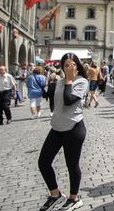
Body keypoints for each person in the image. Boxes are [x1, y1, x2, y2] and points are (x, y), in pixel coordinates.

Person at [37, 53, 88, 210]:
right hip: (57, 128)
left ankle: (74, 198)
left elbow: (68, 100)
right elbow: (54, 101)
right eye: (66, 65)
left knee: (72, 165)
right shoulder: (59, 82)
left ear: (78, 66)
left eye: (73, 64)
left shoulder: (81, 82)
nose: (70, 67)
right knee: (43, 162)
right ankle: (55, 194)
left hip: (74, 128)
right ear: (62, 67)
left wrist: (70, 80)